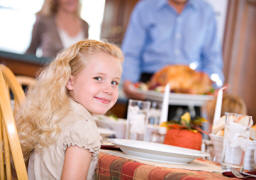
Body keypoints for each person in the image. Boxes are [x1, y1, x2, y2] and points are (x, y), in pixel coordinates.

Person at [16, 40, 123, 179]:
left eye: (114, 82)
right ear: (70, 81)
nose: (109, 89)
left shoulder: (55, 112)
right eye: (98, 78)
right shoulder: (83, 128)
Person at [121, 0, 224, 99]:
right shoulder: (145, 8)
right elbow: (131, 52)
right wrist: (129, 82)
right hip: (150, 85)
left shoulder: (206, 11)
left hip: (190, 88)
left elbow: (212, 57)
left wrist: (213, 85)